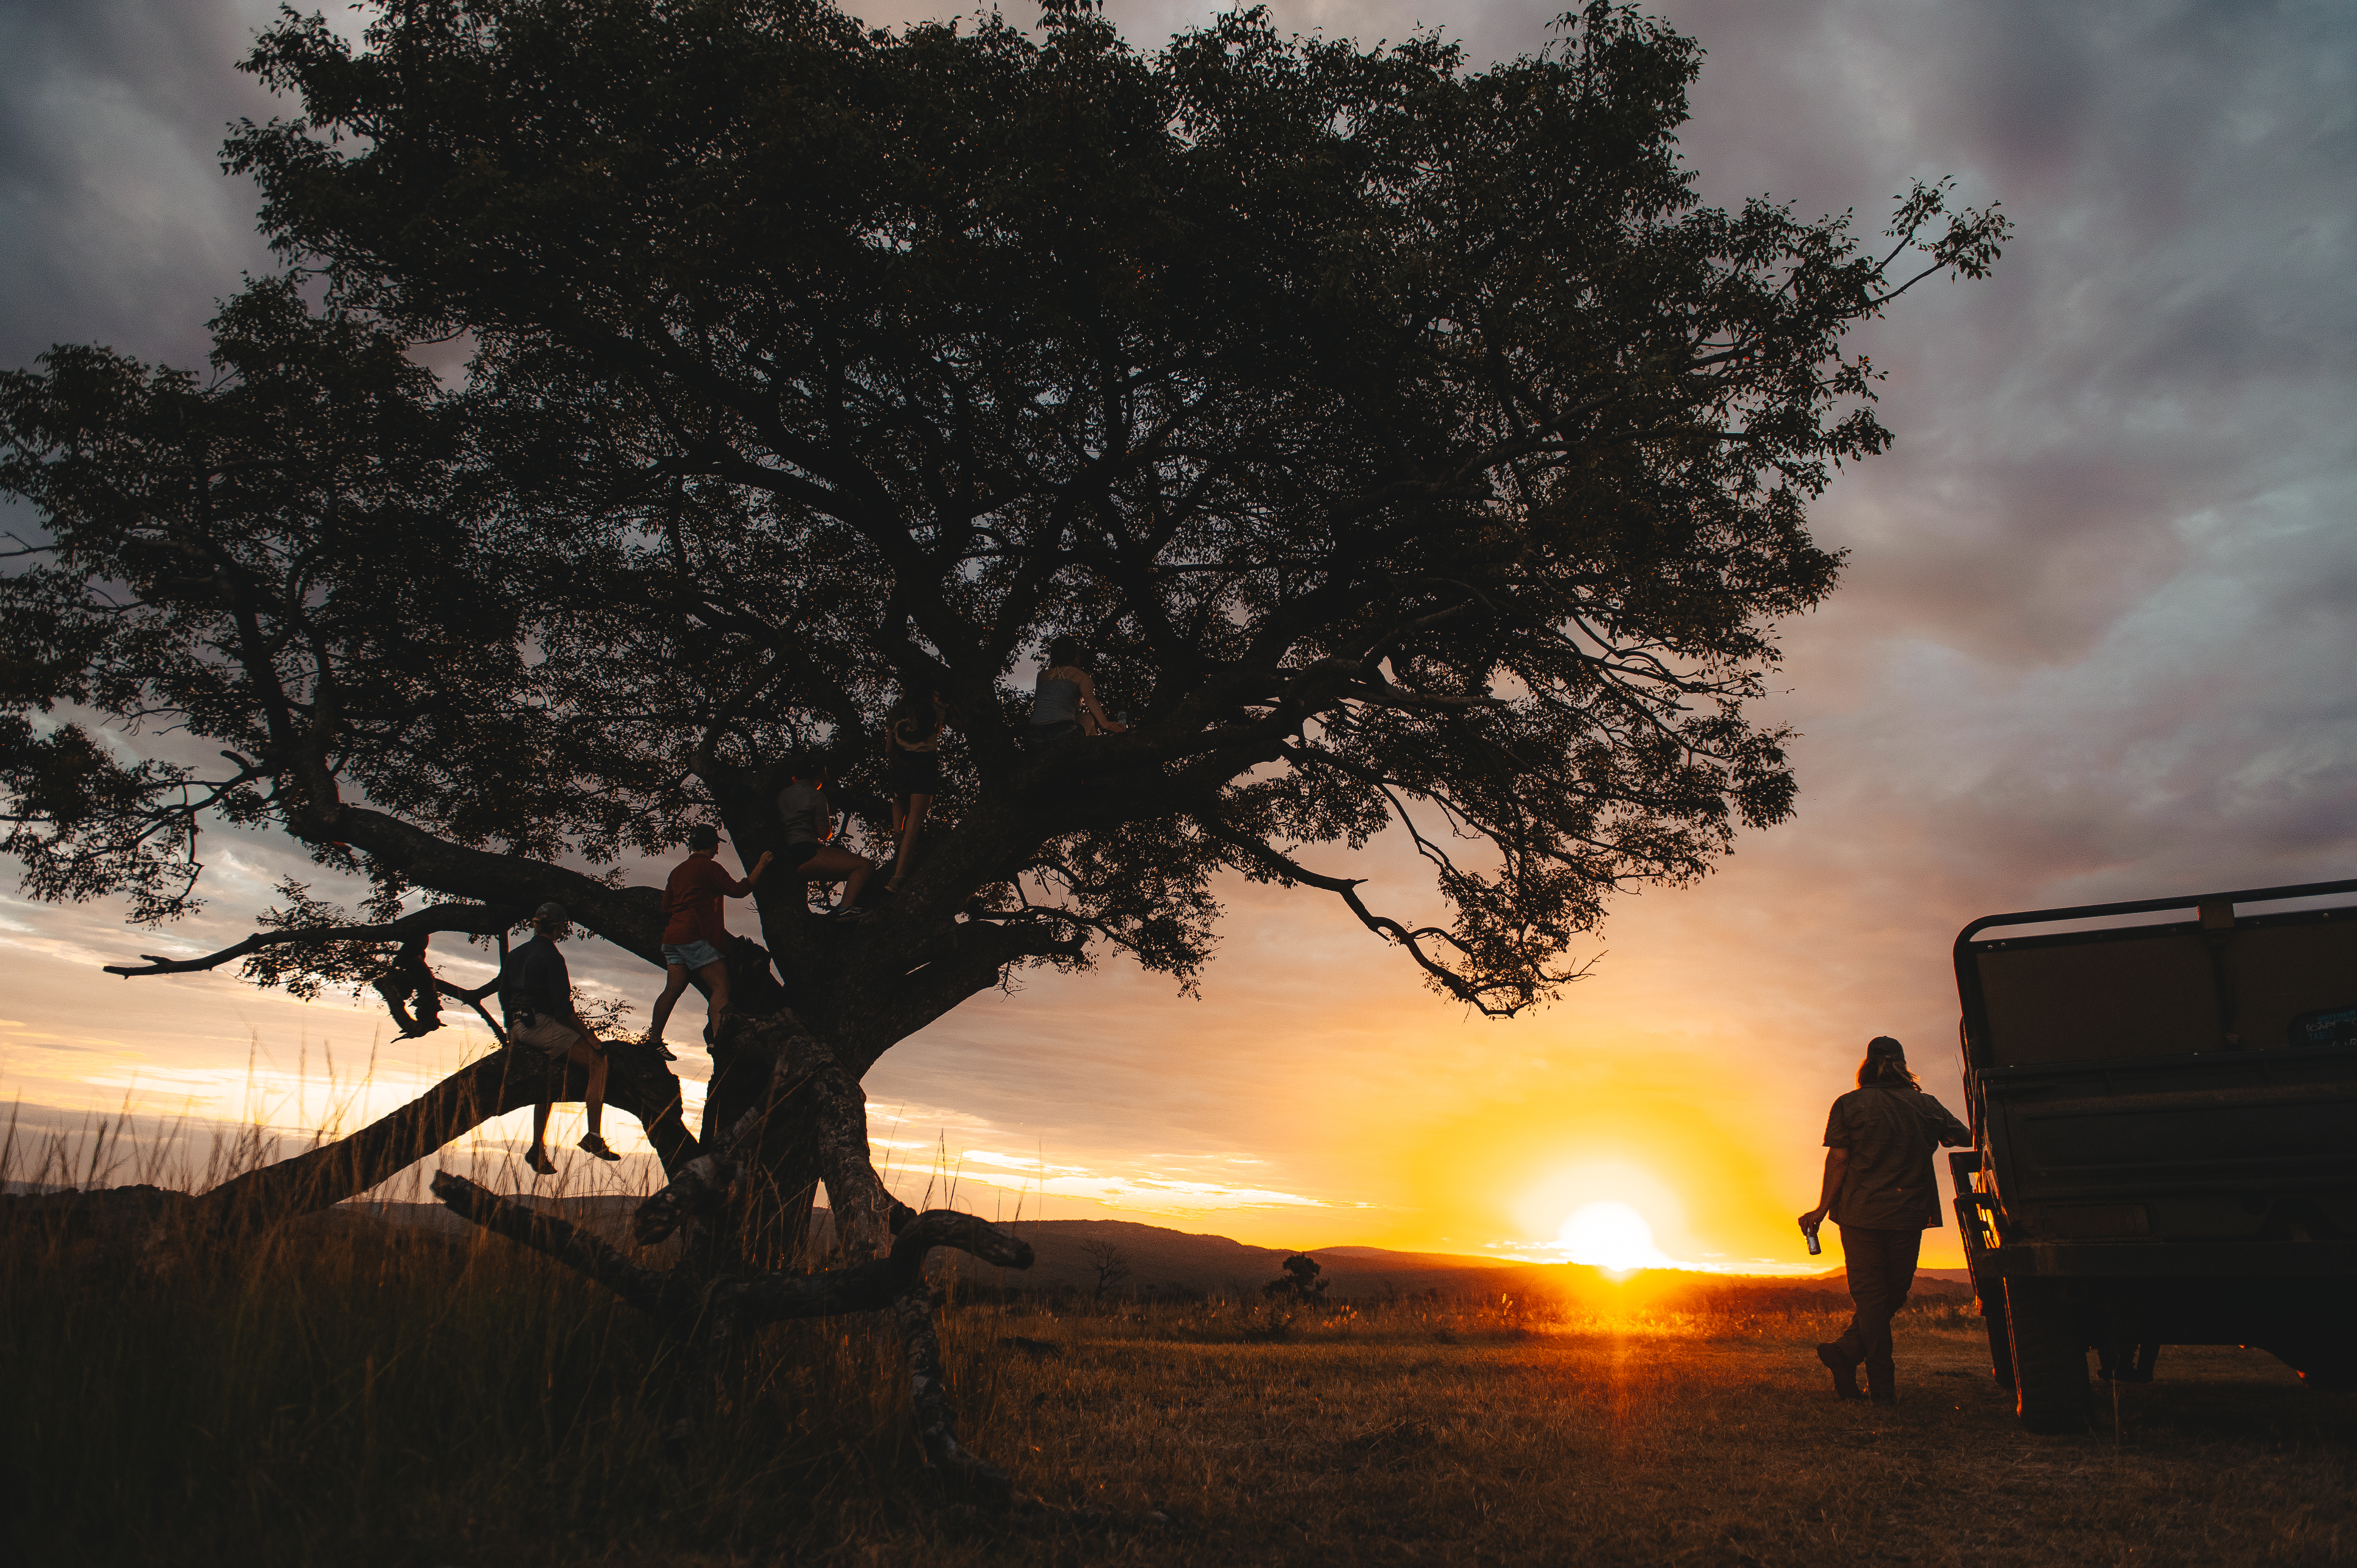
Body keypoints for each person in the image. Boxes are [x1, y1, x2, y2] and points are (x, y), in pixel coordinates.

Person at [1797, 1035, 1972, 1405]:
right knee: (1892, 1294)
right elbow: (1962, 1135)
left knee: (1874, 1297)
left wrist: (1821, 1209)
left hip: (1860, 1215)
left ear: (1866, 1065)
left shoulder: (1849, 1104)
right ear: (1903, 1065)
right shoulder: (1926, 1104)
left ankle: (1848, 1356)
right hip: (1908, 1214)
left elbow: (1840, 1160)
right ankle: (1880, 1387)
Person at [498, 901, 621, 1173]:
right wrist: (591, 1039)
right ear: (558, 927)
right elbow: (565, 1011)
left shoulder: (516, 954)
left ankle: (536, 1148)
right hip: (541, 1025)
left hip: (519, 1026)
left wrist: (511, 1031)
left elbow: (504, 996)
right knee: (598, 1064)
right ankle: (594, 1136)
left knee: (550, 1079)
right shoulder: (553, 957)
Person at [645, 825, 774, 1058]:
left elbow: (666, 907)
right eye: (716, 845)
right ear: (712, 845)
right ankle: (718, 1041)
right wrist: (761, 865)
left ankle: (654, 1040)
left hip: (673, 938)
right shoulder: (710, 868)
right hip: (695, 936)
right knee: (722, 987)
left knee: (672, 989)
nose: (717, 850)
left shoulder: (677, 871)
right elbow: (739, 890)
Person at [775, 756, 875, 916]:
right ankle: (845, 909)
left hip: (788, 853)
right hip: (807, 850)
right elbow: (824, 834)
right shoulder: (816, 795)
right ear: (819, 777)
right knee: (865, 866)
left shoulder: (781, 795)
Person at [883, 691, 948, 894]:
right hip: (924, 766)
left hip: (900, 766)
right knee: (914, 822)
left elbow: (888, 749)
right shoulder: (934, 707)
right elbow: (964, 724)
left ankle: (897, 833)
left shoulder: (894, 712)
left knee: (899, 798)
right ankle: (898, 877)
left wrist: (896, 766)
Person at [1025, 635, 1126, 748]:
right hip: (1062, 733)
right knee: (1087, 718)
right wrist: (1105, 724)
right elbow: (1089, 699)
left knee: (1077, 719)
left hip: (1034, 736)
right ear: (1076, 656)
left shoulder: (1042, 676)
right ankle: (1094, 753)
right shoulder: (1081, 677)